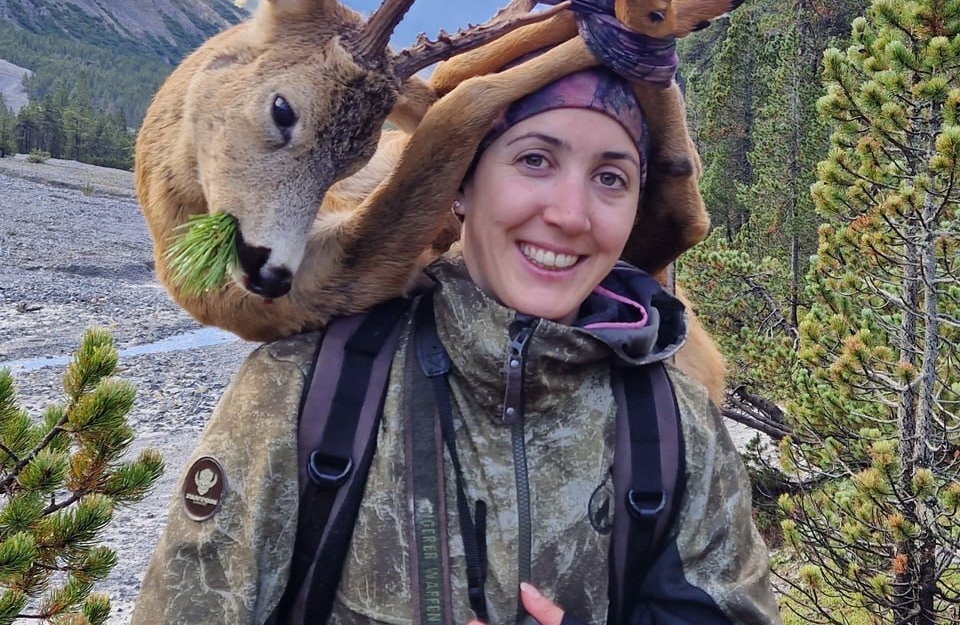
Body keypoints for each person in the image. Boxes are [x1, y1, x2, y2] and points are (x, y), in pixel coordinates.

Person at [131, 65, 782, 625]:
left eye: (611, 178)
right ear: (461, 187)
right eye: (535, 160)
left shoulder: (677, 425)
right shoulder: (301, 395)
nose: (570, 214)